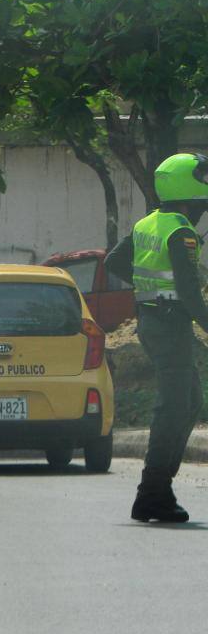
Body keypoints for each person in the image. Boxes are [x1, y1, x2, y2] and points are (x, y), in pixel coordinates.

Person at [105, 153, 208, 523]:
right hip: (169, 326)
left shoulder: (148, 223)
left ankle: (158, 489)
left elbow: (114, 261)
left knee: (190, 401)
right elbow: (190, 291)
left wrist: (149, 291)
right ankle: (152, 492)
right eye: (203, 177)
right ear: (188, 184)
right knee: (173, 408)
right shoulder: (181, 232)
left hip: (152, 322)